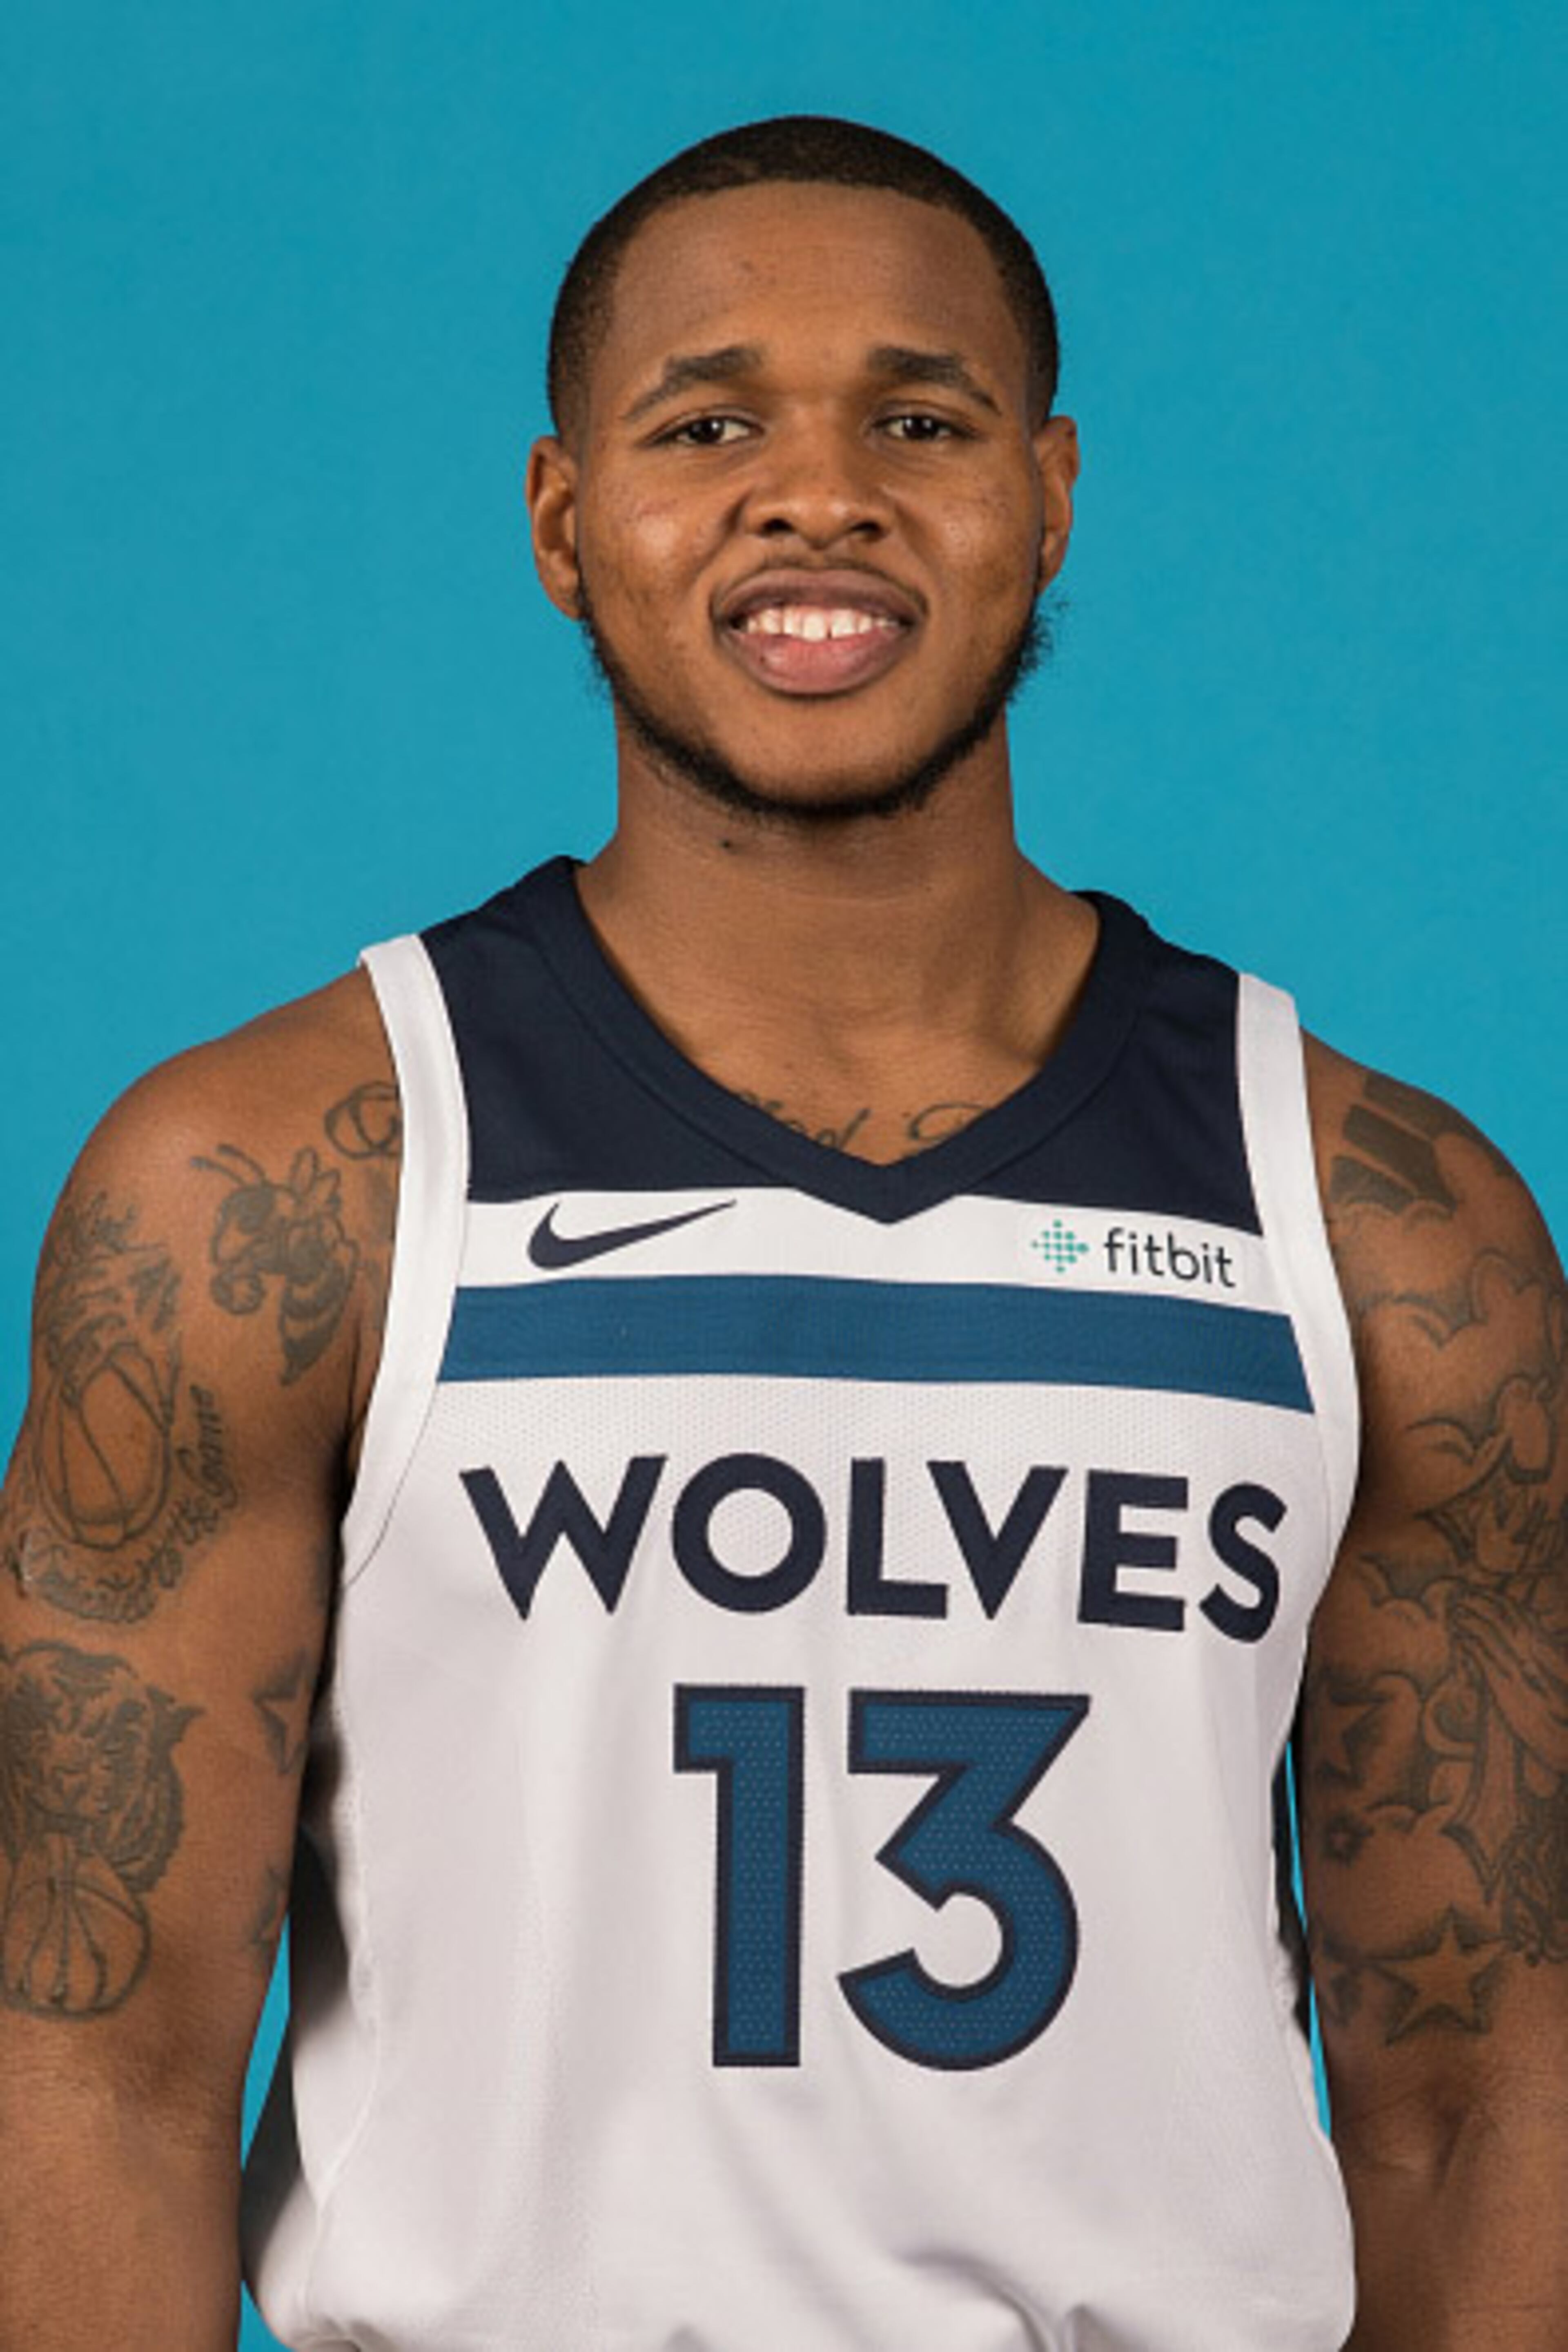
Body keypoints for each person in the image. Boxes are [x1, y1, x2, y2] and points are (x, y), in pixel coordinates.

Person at [0, 113, 1563, 2352]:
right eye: (708, 424)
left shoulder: (1380, 1223)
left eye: (918, 423)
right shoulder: (278, 1183)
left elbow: (1485, 2095)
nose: (817, 496)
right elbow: (93, 2061)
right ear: (565, 520)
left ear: (1049, 494)